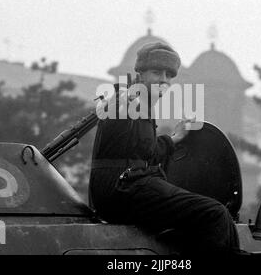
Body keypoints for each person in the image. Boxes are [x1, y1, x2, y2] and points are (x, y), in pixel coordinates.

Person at [88, 42, 239, 254]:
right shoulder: (128, 100)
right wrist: (124, 99)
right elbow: (118, 114)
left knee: (204, 218)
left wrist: (175, 138)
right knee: (215, 213)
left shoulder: (143, 105)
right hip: (122, 189)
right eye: (156, 72)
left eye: (169, 75)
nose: (163, 80)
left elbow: (144, 152)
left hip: (124, 187)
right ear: (140, 74)